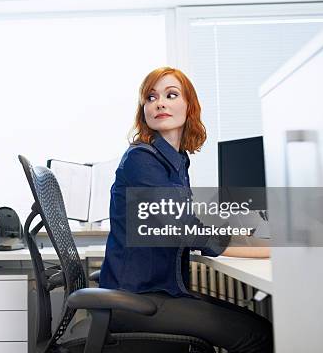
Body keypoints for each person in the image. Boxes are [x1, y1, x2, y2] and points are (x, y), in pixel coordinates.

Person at [98, 66, 273, 353]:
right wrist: (265, 249)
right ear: (144, 110)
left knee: (260, 326)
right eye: (151, 97)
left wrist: (252, 239)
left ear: (189, 105)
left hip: (157, 292)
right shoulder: (142, 159)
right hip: (134, 299)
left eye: (171, 94)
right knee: (259, 336)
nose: (160, 102)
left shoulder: (175, 161)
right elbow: (186, 231)